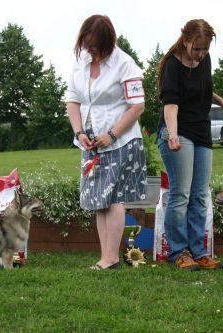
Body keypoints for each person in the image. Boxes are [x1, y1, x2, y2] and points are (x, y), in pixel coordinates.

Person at [66, 15, 146, 270]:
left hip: (120, 140)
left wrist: (112, 134)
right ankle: (106, 256)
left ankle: (110, 258)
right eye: (87, 45)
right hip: (91, 142)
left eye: (96, 46)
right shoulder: (81, 62)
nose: (91, 50)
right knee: (97, 200)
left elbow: (137, 106)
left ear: (108, 42)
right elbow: (72, 100)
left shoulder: (125, 63)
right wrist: (79, 132)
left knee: (112, 198)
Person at [157, 19, 223, 270]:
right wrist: (172, 134)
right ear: (186, 40)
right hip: (179, 132)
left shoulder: (204, 61)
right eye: (197, 48)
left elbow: (201, 89)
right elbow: (171, 103)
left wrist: (221, 101)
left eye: (205, 49)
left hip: (201, 131)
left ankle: (199, 252)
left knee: (201, 195)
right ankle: (179, 252)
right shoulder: (172, 65)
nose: (201, 54)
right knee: (181, 194)